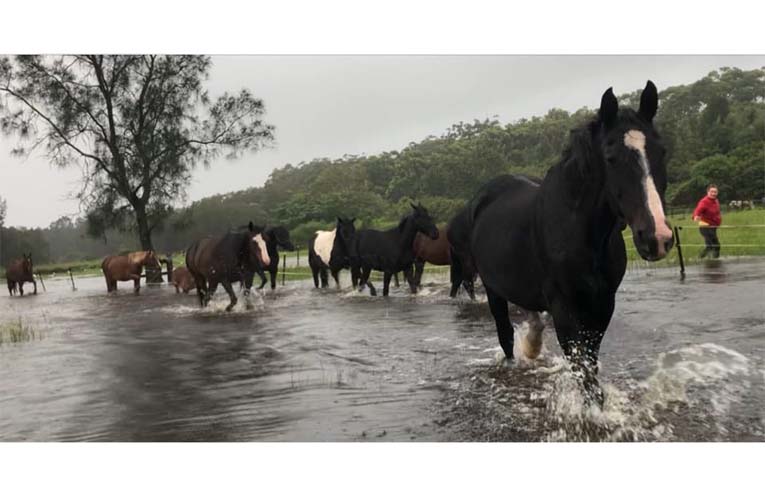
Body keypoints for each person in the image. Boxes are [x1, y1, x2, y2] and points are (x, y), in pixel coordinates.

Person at [692, 184, 722, 258]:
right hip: (705, 226)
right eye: (712, 192)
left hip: (713, 226)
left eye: (715, 192)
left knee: (712, 246)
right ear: (707, 192)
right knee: (714, 245)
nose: (713, 193)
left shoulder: (716, 201)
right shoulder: (704, 201)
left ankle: (704, 258)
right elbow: (697, 210)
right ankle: (712, 259)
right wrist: (696, 216)